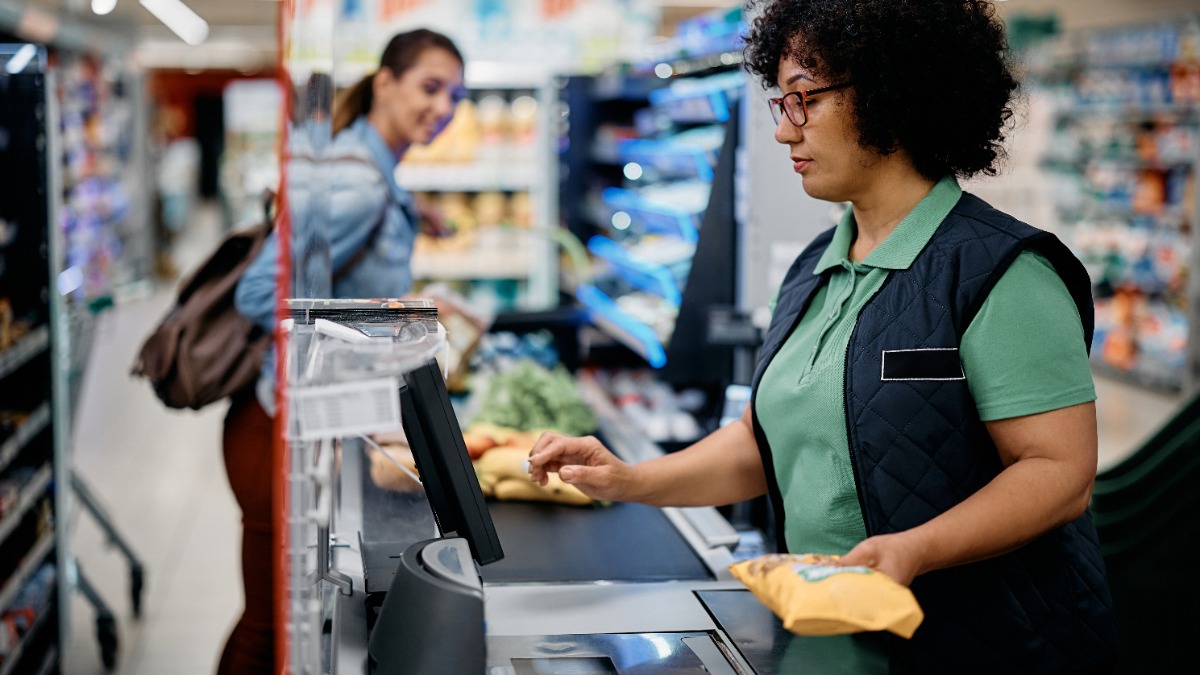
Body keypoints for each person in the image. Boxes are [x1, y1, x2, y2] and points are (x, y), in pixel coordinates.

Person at [528, 1, 1118, 672]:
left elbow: (1059, 472)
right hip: (829, 643)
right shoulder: (815, 266)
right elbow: (762, 438)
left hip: (979, 647)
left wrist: (914, 548)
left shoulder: (1002, 272)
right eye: (782, 102)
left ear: (892, 94)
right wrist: (628, 478)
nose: (784, 131)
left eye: (804, 100)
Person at [220, 29, 464, 674]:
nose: (443, 108)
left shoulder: (370, 167)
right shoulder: (358, 183)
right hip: (274, 434)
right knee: (265, 630)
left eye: (456, 96)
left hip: (304, 425)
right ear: (385, 82)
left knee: (282, 620)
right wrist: (395, 318)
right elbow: (256, 296)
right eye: (430, 88)